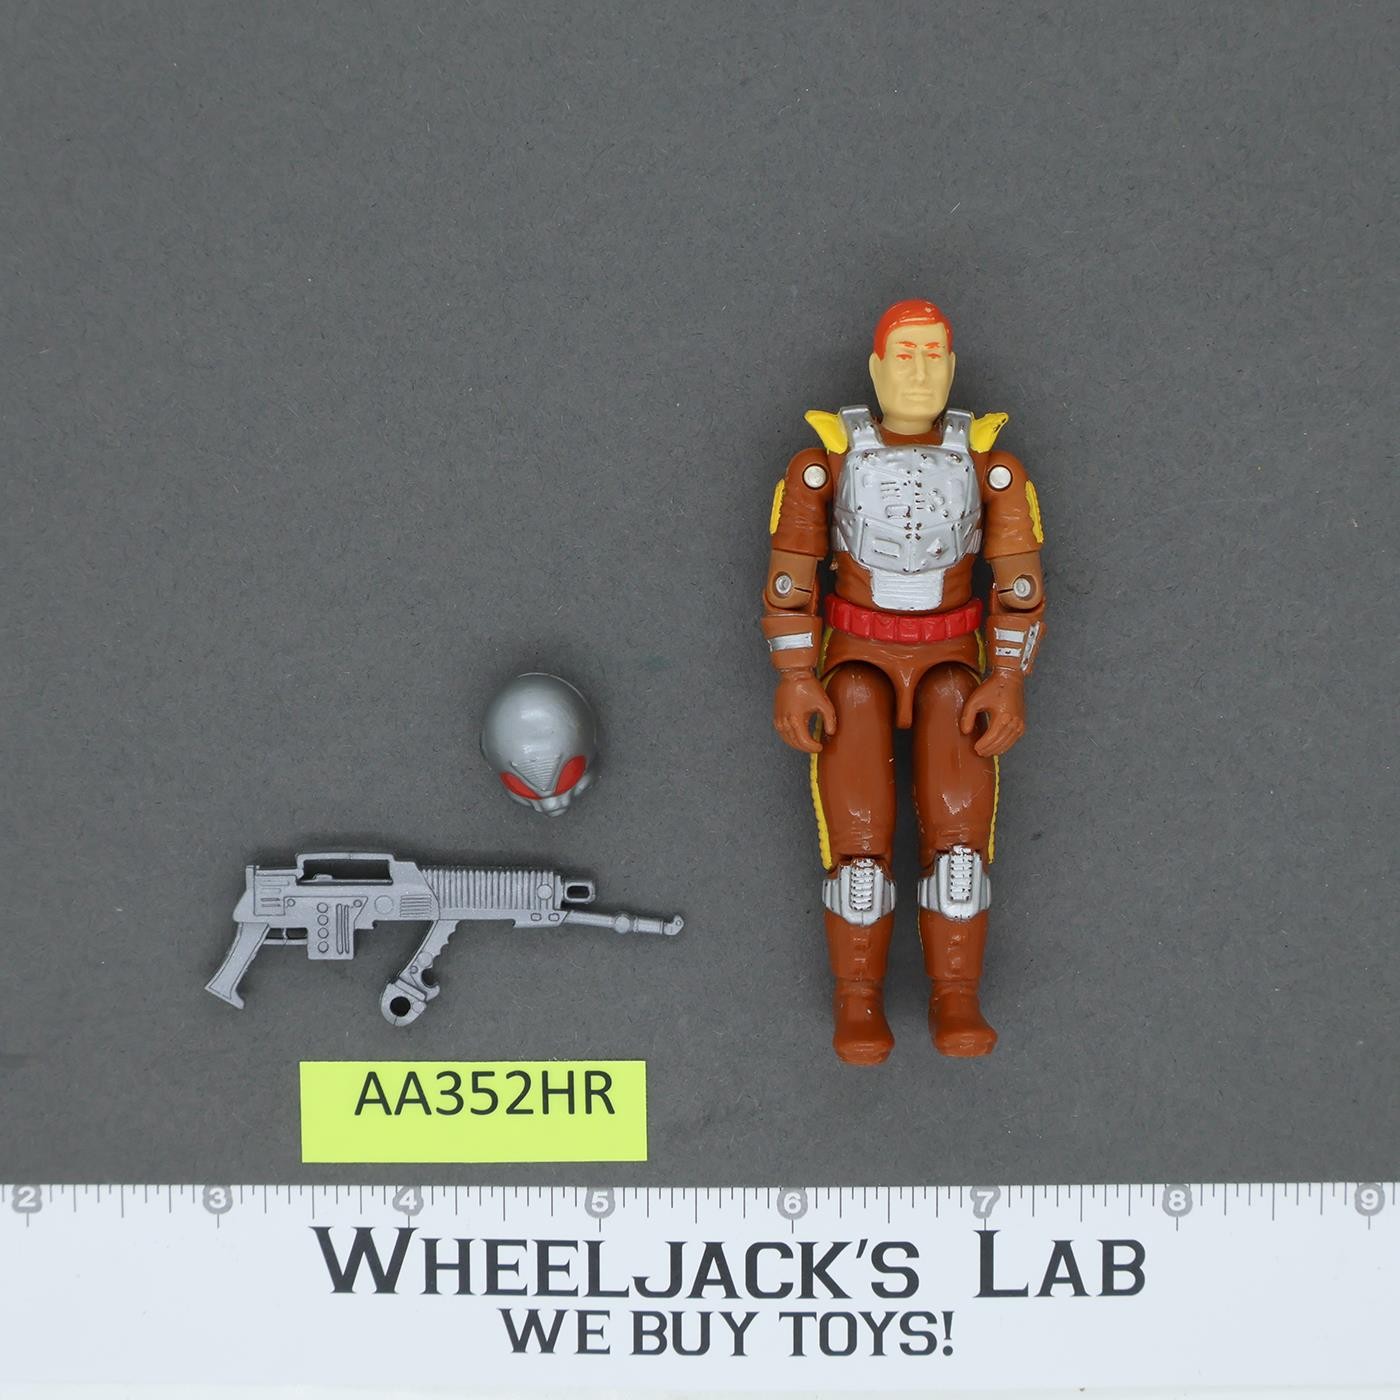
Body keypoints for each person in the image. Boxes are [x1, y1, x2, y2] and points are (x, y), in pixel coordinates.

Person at [761, 299, 1046, 1064]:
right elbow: (790, 578)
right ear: (877, 369)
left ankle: (957, 995)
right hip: (856, 657)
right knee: (858, 842)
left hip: (953, 658)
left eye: (932, 357)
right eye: (905, 356)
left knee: (960, 848)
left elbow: (1019, 583)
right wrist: (795, 673)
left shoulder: (989, 466)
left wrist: (1008, 675)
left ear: (952, 368)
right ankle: (857, 999)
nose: (919, 373)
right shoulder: (826, 461)